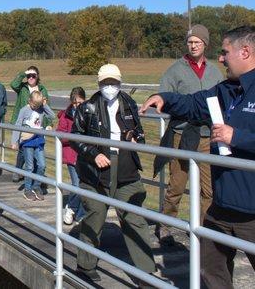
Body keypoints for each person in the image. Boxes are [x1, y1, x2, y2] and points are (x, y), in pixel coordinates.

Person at [140, 25, 255, 289]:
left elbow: (238, 137)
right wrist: (164, 98)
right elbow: (193, 104)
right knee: (210, 269)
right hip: (222, 207)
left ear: (245, 52)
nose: (221, 58)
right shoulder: (226, 90)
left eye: (226, 53)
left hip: (252, 211)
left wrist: (236, 137)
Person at [71, 64, 157, 284]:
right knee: (95, 216)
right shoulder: (87, 107)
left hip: (126, 169)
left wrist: (136, 138)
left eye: (114, 83)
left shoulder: (128, 103)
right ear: (99, 83)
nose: (110, 87)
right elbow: (76, 137)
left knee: (134, 218)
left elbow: (139, 132)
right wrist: (93, 154)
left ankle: (146, 274)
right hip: (95, 171)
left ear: (120, 82)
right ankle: (85, 265)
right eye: (106, 83)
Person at [153, 24, 225, 246]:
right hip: (181, 135)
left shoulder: (214, 72)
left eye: (198, 42)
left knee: (209, 189)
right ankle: (164, 225)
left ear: (205, 44)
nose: (193, 45)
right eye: (190, 42)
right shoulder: (175, 70)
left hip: (207, 136)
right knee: (176, 185)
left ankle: (203, 229)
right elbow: (164, 100)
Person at [11, 90, 55, 201]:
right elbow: (18, 124)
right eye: (34, 105)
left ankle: (36, 186)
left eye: (38, 105)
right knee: (29, 166)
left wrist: (44, 106)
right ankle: (27, 189)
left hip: (39, 140)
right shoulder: (24, 110)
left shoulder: (41, 109)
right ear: (29, 101)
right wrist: (14, 141)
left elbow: (52, 116)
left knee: (42, 165)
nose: (36, 107)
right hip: (27, 141)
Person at [10, 66, 51, 182]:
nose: (31, 78)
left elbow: (46, 108)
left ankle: (33, 175)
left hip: (38, 124)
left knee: (37, 148)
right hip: (24, 124)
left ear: (38, 76)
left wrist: (48, 124)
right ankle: (18, 171)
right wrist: (24, 73)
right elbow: (13, 84)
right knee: (23, 149)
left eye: (33, 75)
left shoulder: (42, 90)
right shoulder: (22, 88)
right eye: (29, 76)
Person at [58, 87, 87, 225]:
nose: (77, 106)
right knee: (77, 184)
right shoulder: (66, 115)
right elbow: (60, 133)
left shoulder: (89, 112)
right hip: (71, 154)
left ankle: (80, 214)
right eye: (75, 103)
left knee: (85, 184)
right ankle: (71, 207)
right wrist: (72, 137)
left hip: (85, 154)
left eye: (80, 103)